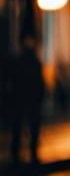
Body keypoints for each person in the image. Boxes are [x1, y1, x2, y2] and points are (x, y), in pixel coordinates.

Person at [8, 33, 46, 167]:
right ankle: (21, 154)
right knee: (21, 127)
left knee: (26, 128)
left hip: (27, 100)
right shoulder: (27, 62)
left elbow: (39, 83)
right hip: (25, 100)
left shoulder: (29, 62)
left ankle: (27, 154)